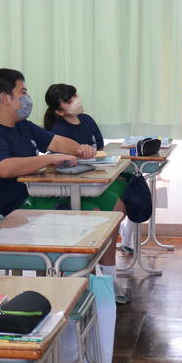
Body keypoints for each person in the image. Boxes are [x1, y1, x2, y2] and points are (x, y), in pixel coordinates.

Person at [0, 68, 128, 300]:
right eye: (22, 91)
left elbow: (56, 142)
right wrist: (47, 159)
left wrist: (80, 149)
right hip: (18, 210)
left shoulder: (23, 125)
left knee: (115, 205)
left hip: (41, 196)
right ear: (5, 98)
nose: (27, 97)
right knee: (95, 215)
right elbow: (4, 167)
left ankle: (108, 279)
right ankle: (81, 287)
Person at [43, 83, 136, 253]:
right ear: (59, 112)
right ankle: (98, 253)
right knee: (114, 207)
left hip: (98, 176)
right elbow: (65, 165)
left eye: (75, 95)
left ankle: (109, 250)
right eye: (69, 101)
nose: (76, 101)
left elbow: (100, 148)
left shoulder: (87, 120)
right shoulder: (59, 131)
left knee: (131, 190)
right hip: (79, 184)